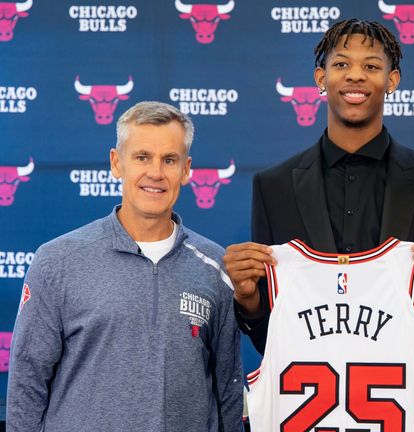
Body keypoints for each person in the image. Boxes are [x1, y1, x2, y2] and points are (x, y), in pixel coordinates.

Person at [224, 18, 414, 429]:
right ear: (321, 77)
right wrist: (249, 301)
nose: (355, 75)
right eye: (341, 64)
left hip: (402, 409)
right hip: (306, 411)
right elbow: (274, 339)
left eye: (372, 66)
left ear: (392, 80)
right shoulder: (274, 186)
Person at [7, 102, 243, 432]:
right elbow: (27, 383)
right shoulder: (56, 262)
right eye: (142, 157)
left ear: (186, 170)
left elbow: (228, 390)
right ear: (117, 163)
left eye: (169, 160)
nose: (156, 173)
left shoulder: (214, 267)